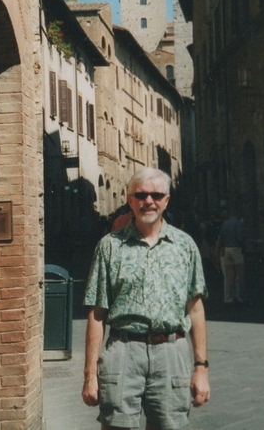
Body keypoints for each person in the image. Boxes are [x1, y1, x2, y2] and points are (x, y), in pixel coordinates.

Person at [81, 167, 210, 430]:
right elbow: (97, 314)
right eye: (140, 195)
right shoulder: (109, 246)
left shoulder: (185, 246)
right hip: (123, 351)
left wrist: (201, 368)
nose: (148, 201)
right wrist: (90, 375)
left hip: (171, 353)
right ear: (130, 200)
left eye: (156, 195)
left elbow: (195, 310)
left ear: (166, 200)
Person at [216, 209, 247, 304]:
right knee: (239, 274)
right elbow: (240, 237)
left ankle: (228, 297)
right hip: (236, 249)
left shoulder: (225, 223)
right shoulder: (238, 223)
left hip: (225, 249)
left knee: (228, 276)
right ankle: (240, 297)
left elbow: (220, 238)